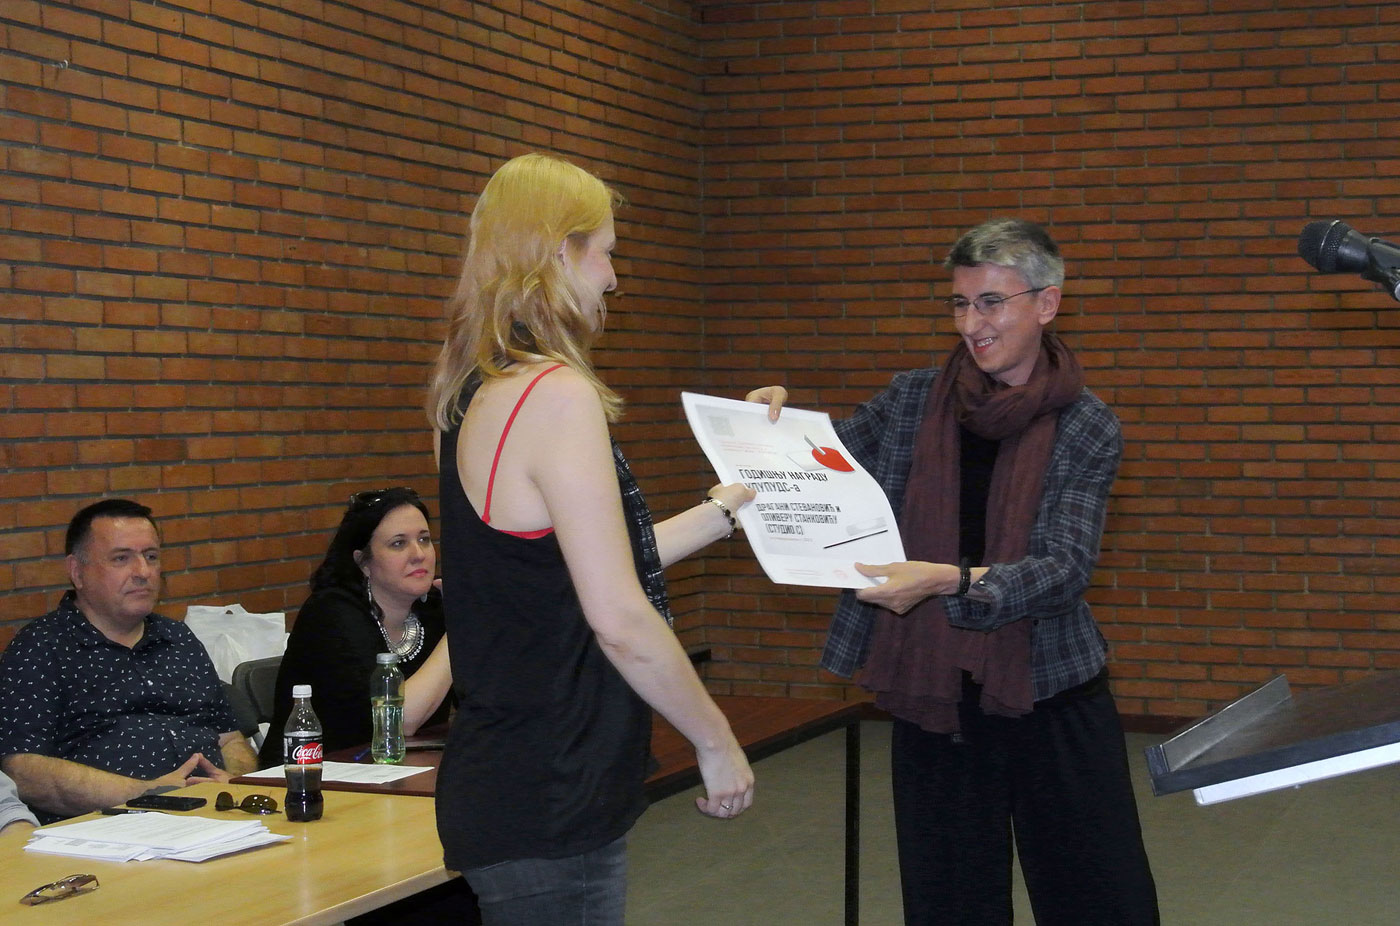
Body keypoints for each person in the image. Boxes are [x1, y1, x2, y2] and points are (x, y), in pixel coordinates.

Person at [748, 218, 1158, 926]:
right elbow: (820, 471)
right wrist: (768, 428)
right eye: (960, 304)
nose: (972, 324)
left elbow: (1064, 569)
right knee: (948, 902)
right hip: (933, 693)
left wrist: (952, 582)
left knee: (1098, 897)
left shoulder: (1087, 424)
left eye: (991, 303)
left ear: (1047, 303)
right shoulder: (912, 398)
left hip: (1049, 690)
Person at [426, 151, 755, 925]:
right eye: (605, 252)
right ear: (558, 252)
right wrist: (714, 738)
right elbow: (618, 617)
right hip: (552, 785)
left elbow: (561, 571)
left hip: (512, 778)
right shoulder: (555, 392)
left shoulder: (467, 392)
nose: (612, 277)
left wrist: (728, 509)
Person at [0, 499, 258, 823]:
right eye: (121, 558)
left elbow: (230, 738)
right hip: (109, 828)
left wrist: (232, 782)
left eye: (151, 556)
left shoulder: (179, 639)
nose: (143, 572)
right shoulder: (40, 648)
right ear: (77, 572)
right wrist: (146, 792)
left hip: (216, 815)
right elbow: (22, 768)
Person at [259, 487, 454, 768]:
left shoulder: (434, 608)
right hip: (313, 777)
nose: (418, 554)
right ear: (363, 562)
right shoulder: (331, 614)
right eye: (398, 544)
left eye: (424, 539)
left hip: (404, 770)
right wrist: (461, 629)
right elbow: (398, 722)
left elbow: (487, 700)